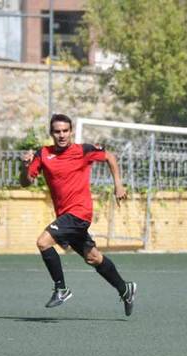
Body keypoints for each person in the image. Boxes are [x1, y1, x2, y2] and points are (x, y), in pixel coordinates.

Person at [19, 114, 136, 315]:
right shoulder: (43, 154)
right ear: (51, 133)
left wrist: (118, 184)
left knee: (43, 242)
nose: (62, 135)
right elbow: (26, 181)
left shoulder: (83, 150)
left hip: (79, 212)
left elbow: (110, 156)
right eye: (57, 131)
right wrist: (24, 167)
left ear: (71, 131)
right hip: (65, 215)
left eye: (65, 131)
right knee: (93, 257)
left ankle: (61, 289)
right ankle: (125, 289)